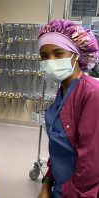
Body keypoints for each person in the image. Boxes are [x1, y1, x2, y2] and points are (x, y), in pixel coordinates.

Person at [37, 19, 99, 198]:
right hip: (61, 186)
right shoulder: (63, 92)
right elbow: (58, 149)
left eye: (58, 53)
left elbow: (91, 163)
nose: (50, 61)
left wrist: (69, 193)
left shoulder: (92, 94)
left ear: (77, 55)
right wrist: (47, 184)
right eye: (44, 56)